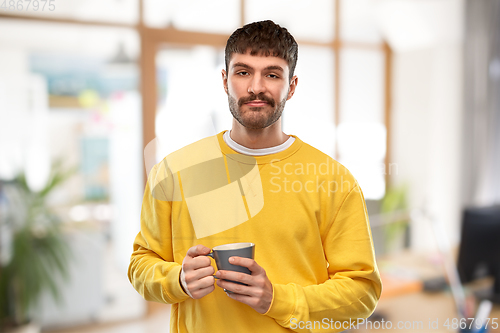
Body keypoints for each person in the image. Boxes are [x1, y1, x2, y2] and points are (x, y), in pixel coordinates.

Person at [128, 20, 382, 333]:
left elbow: (362, 294)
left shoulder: (333, 180)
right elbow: (141, 265)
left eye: (272, 74)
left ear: (291, 86)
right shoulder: (173, 171)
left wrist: (276, 299)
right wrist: (178, 279)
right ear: (225, 80)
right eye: (243, 72)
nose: (256, 87)